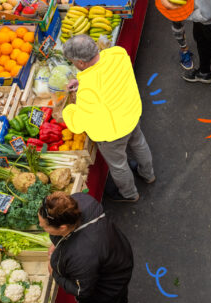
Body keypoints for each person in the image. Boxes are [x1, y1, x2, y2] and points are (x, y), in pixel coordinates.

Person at [39, 192, 152, 303]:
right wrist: (58, 243)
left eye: (44, 226)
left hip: (107, 285)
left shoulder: (81, 255)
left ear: (62, 228)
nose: (42, 227)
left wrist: (56, 275)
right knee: (119, 297)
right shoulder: (80, 201)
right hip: (119, 257)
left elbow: (82, 291)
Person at [61, 36, 154, 204]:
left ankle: (129, 194)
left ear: (81, 63)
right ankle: (148, 174)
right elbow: (104, 79)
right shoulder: (118, 53)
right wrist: (81, 81)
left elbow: (78, 123)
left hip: (113, 131)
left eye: (73, 61)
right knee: (139, 143)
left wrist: (68, 108)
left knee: (118, 165)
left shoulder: (88, 88)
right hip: (131, 113)